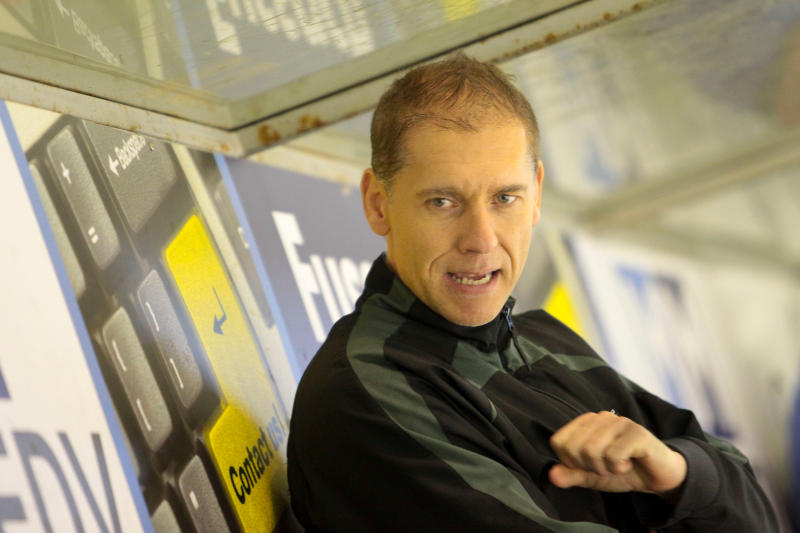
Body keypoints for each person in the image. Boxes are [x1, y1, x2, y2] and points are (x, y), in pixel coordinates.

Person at [286, 53, 778, 532]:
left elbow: (755, 509)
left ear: (537, 194)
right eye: (442, 201)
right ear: (378, 204)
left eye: (505, 198)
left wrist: (676, 475)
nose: (481, 240)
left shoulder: (546, 340)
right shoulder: (363, 391)